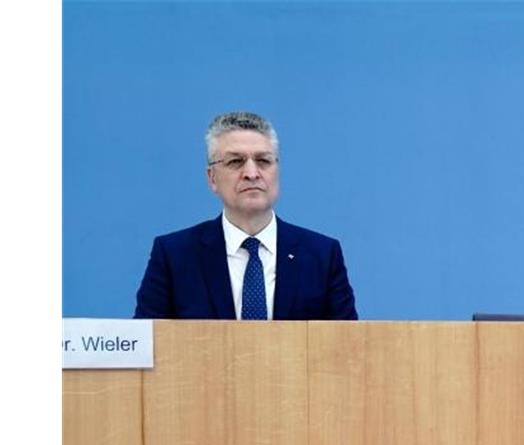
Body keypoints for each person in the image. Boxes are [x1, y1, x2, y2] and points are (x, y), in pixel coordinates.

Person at [134, 111, 357, 319]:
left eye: (263, 161)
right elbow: (144, 348)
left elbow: (347, 348)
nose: (251, 173)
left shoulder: (322, 255)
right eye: (235, 161)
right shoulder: (174, 256)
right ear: (212, 178)